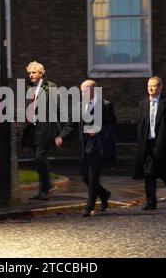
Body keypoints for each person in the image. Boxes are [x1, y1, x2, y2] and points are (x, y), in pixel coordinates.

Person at [55, 80, 117, 217]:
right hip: (85, 146)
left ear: (94, 91)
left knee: (93, 176)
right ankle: (104, 194)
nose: (82, 94)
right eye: (81, 91)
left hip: (99, 147)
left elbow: (112, 126)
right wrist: (62, 137)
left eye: (85, 91)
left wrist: (98, 129)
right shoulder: (80, 106)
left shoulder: (105, 105)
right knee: (85, 176)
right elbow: (71, 125)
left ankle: (89, 207)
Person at [133, 76, 166, 210]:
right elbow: (140, 123)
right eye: (149, 86)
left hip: (162, 143)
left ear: (160, 87)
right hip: (148, 144)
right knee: (149, 173)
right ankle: (151, 202)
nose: (151, 88)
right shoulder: (143, 104)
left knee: (164, 173)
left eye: (154, 86)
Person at [22, 61, 61, 200]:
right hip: (32, 129)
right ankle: (45, 187)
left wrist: (59, 133)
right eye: (30, 73)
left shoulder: (51, 88)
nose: (31, 75)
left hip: (45, 129)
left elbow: (57, 110)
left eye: (34, 72)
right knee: (38, 159)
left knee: (40, 157)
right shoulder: (29, 87)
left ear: (41, 73)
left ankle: (46, 188)